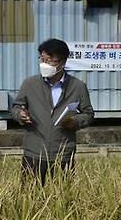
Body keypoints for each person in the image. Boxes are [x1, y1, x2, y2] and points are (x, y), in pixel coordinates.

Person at [11, 38, 94, 185]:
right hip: (34, 152)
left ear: (62, 63)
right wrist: (20, 115)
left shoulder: (78, 86)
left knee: (62, 199)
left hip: (63, 152)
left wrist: (75, 122)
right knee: (30, 197)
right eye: (42, 59)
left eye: (49, 61)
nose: (44, 64)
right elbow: (16, 107)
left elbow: (88, 114)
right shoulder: (30, 84)